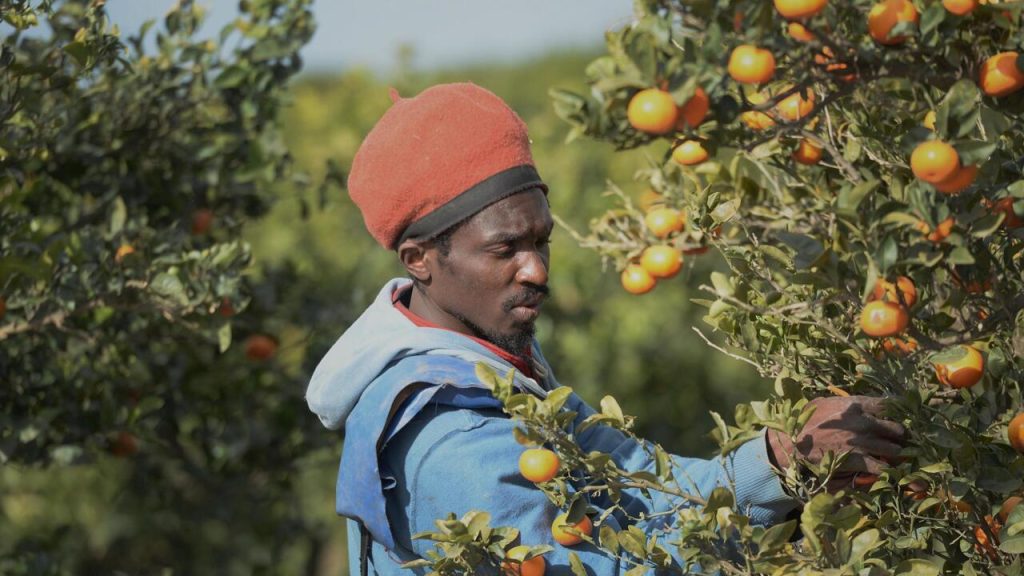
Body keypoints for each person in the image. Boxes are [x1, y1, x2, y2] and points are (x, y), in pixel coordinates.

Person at [306, 83, 905, 575]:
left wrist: (782, 461)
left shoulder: (488, 361)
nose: (536, 270)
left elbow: (641, 482)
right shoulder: (451, 437)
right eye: (505, 249)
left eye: (541, 239)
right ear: (419, 260)